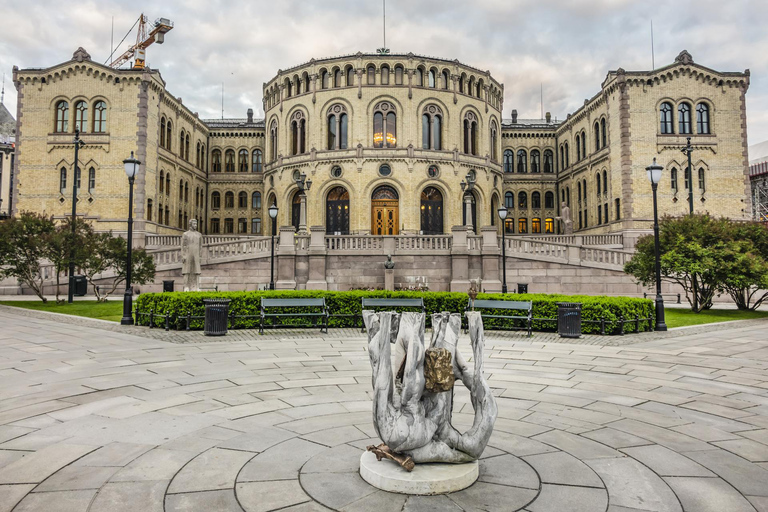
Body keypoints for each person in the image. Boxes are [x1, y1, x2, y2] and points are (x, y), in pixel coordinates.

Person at [181, 219, 203, 292]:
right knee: (187, 270)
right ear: (190, 224)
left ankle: (197, 286)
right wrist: (183, 255)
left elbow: (200, 246)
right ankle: (186, 286)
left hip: (196, 254)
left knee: (197, 270)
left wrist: (200, 256)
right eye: (194, 224)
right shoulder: (185, 234)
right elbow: (183, 246)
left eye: (196, 224)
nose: (195, 225)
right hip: (188, 253)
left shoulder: (199, 235)